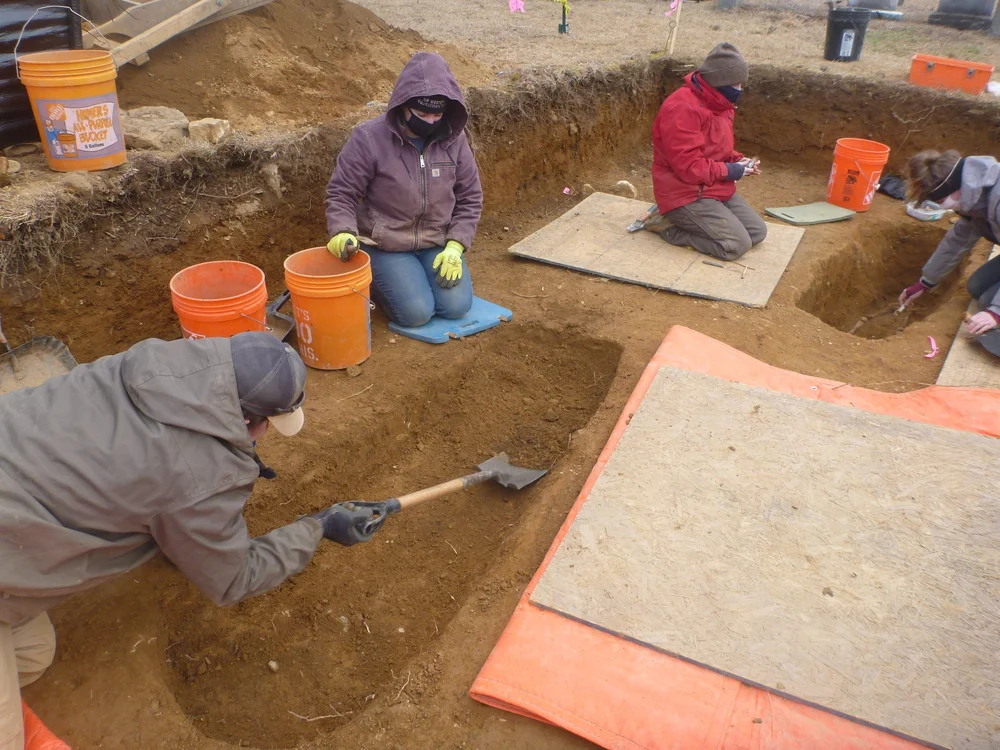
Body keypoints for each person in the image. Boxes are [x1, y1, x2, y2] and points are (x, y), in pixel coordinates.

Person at [0, 332, 386, 749]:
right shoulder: (196, 474)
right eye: (268, 425)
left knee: (34, 651)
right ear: (248, 421)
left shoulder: (154, 362)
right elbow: (234, 578)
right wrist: (319, 527)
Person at [325, 52, 484, 327]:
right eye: (422, 114)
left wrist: (455, 246)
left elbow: (470, 197)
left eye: (437, 114)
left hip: (436, 241)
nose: (431, 122)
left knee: (457, 306)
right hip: (387, 245)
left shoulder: (454, 140)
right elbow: (342, 192)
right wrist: (342, 231)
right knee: (416, 314)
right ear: (403, 107)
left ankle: (419, 276)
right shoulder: (369, 138)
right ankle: (380, 279)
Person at [651, 42, 767, 261]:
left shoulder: (720, 103)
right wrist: (731, 171)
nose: (740, 89)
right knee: (736, 245)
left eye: (742, 83)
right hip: (683, 194)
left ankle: (697, 223)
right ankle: (668, 228)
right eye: (736, 84)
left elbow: (716, 148)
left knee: (757, 233)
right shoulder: (682, 108)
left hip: (711, 188)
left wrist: (738, 161)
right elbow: (689, 167)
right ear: (720, 81)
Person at [899, 151, 1000, 352]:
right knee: (977, 286)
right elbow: (957, 240)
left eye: (939, 201)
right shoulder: (976, 195)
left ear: (954, 191)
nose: (939, 207)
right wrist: (925, 281)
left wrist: (996, 312)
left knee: (989, 302)